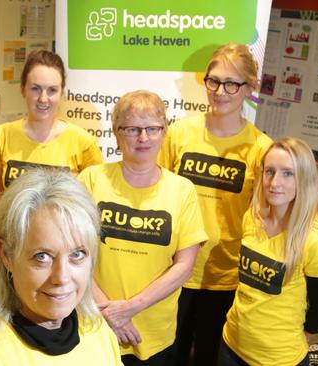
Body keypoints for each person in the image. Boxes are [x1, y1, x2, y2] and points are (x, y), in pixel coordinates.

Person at [158, 43, 273, 366]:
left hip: (225, 274)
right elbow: (161, 198)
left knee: (209, 356)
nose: (220, 91)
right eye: (213, 81)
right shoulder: (179, 133)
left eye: (231, 84)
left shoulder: (261, 148)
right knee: (170, 354)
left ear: (249, 88)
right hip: (175, 270)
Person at [0, 169, 122, 365]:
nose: (61, 277)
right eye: (42, 257)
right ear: (6, 254)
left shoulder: (96, 328)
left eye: (77, 255)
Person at [79, 90, 208, 365]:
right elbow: (71, 252)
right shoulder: (91, 180)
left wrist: (128, 309)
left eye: (152, 128)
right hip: (94, 325)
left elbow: (185, 266)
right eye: (133, 129)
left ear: (164, 132)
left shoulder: (182, 190)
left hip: (152, 333)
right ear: (116, 132)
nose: (143, 137)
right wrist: (107, 312)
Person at [219, 137, 318, 366]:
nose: (275, 182)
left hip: (279, 359)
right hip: (231, 346)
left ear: (304, 179)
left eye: (288, 173)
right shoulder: (253, 218)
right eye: (270, 171)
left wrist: (287, 341)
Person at [0, 49, 102, 203]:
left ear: (62, 94)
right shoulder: (1, 136)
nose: (43, 99)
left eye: (52, 90)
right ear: (23, 90)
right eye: (35, 89)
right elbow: (0, 203)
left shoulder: (83, 142)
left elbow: (89, 204)